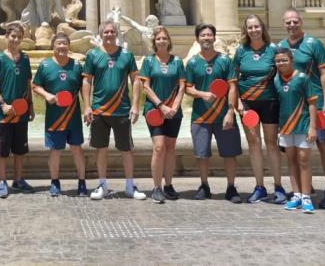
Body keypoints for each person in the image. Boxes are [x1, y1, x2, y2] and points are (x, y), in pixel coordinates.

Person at [278, 8, 325, 208]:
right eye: (288, 22)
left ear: (301, 22)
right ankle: (304, 189)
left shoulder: (313, 43)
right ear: (284, 24)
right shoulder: (281, 46)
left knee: (323, 145)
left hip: (316, 103)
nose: (292, 25)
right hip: (292, 109)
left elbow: (324, 73)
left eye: (295, 21)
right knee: (294, 151)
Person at [82, 20, 145, 200]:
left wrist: (135, 105)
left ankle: (129, 185)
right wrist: (86, 106)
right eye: (106, 32)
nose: (109, 35)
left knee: (126, 149)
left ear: (116, 34)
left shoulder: (126, 55)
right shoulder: (93, 55)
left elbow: (136, 80)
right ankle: (102, 185)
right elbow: (86, 81)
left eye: (112, 32)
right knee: (101, 149)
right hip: (99, 110)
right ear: (101, 34)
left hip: (122, 110)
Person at [185, 22, 243, 203]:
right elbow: (187, 87)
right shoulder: (193, 62)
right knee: (201, 154)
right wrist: (202, 94)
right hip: (200, 117)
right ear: (197, 39)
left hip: (223, 115)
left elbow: (233, 86)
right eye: (203, 35)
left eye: (209, 35)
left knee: (230, 153)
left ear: (214, 37)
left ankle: (231, 187)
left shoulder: (225, 61)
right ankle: (204, 185)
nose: (206, 38)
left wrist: (230, 111)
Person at [234, 14, 286, 204]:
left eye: (256, 27)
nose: (253, 30)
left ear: (262, 28)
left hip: (270, 101)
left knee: (271, 144)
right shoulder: (241, 51)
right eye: (250, 27)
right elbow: (234, 79)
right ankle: (259, 187)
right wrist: (237, 103)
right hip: (248, 103)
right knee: (254, 144)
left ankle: (278, 186)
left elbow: (285, 74)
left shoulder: (273, 50)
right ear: (246, 30)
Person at [32, 31, 87, 197]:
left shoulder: (77, 65)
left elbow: (83, 88)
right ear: (53, 46)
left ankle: (82, 182)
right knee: (55, 151)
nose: (62, 46)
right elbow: (35, 86)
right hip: (54, 118)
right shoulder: (45, 65)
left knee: (77, 149)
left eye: (65, 43)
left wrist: (87, 107)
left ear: (69, 46)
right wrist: (47, 95)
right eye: (59, 43)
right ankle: (55, 182)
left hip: (73, 117)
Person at [136, 26, 185, 203]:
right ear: (154, 42)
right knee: (159, 147)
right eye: (158, 39)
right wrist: (161, 106)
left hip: (173, 111)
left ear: (169, 41)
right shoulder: (149, 61)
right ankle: (156, 187)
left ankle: (169, 185)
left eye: (164, 38)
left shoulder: (177, 61)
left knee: (171, 147)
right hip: (154, 110)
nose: (162, 41)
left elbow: (182, 86)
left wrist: (175, 107)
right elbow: (146, 87)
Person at [0, 22, 35, 198]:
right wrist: (2, 104)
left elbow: (28, 83)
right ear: (6, 37)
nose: (15, 40)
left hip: (21, 113)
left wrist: (30, 106)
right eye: (13, 36)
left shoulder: (25, 59)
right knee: (2, 150)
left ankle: (18, 179)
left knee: (20, 149)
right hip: (4, 114)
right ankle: (2, 182)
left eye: (19, 37)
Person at [273, 46, 318, 213]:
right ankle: (297, 195)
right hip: (285, 127)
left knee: (304, 161)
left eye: (284, 59)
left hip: (303, 126)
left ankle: (306, 196)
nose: (281, 63)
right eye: (278, 61)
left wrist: (313, 127)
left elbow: (312, 103)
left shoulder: (302, 78)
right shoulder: (276, 80)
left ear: (291, 60)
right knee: (291, 161)